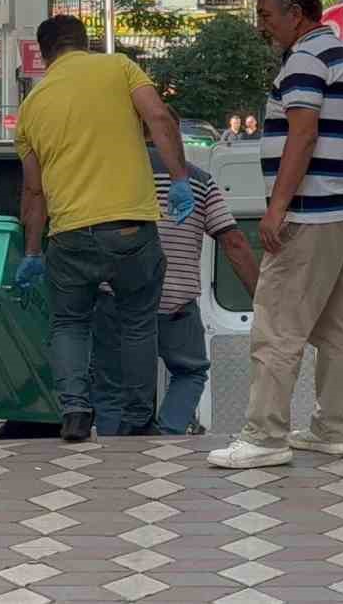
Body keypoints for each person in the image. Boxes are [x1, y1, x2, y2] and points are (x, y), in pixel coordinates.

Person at [209, 0, 343, 470]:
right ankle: (333, 428)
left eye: (266, 15)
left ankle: (265, 434)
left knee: (276, 324)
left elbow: (301, 135)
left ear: (295, 14)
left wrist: (276, 208)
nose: (263, 26)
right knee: (334, 326)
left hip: (310, 213)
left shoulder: (304, 59)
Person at [13, 15, 194, 443]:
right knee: (137, 321)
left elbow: (34, 192)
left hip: (70, 234)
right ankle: (136, 418)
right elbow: (160, 119)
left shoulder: (32, 106)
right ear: (85, 43)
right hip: (131, 226)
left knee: (70, 323)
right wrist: (180, 177)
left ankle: (75, 411)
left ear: (44, 54)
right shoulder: (119, 67)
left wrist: (34, 251)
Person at [92, 107, 260, 436]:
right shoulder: (198, 181)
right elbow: (235, 242)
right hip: (175, 302)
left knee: (111, 386)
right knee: (190, 371)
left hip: (117, 299)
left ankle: (113, 454)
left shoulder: (109, 177)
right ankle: (167, 436)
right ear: (176, 131)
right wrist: (263, 299)